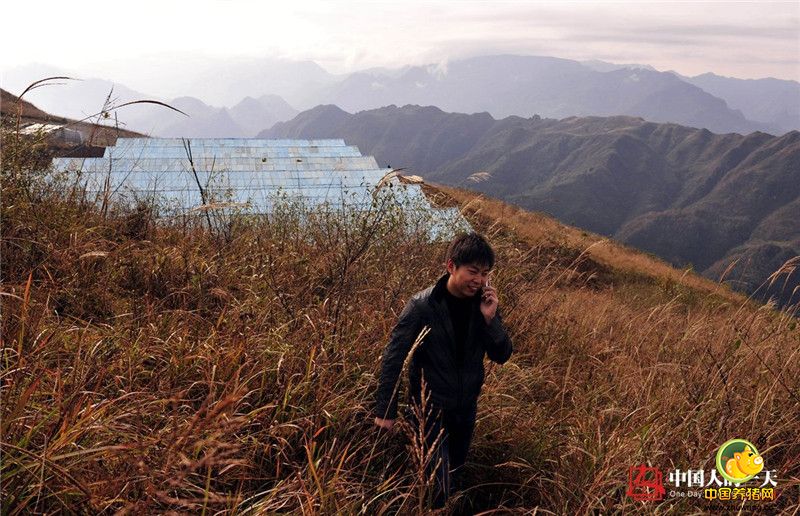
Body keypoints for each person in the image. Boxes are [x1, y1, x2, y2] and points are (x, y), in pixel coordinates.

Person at [374, 232, 513, 508]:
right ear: (451, 266)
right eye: (473, 271)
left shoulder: (484, 306)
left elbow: (502, 355)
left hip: (465, 409)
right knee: (439, 486)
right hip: (429, 412)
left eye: (485, 273)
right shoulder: (422, 306)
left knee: (454, 473)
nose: (479, 280)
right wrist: (385, 411)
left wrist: (491, 320)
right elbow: (393, 356)